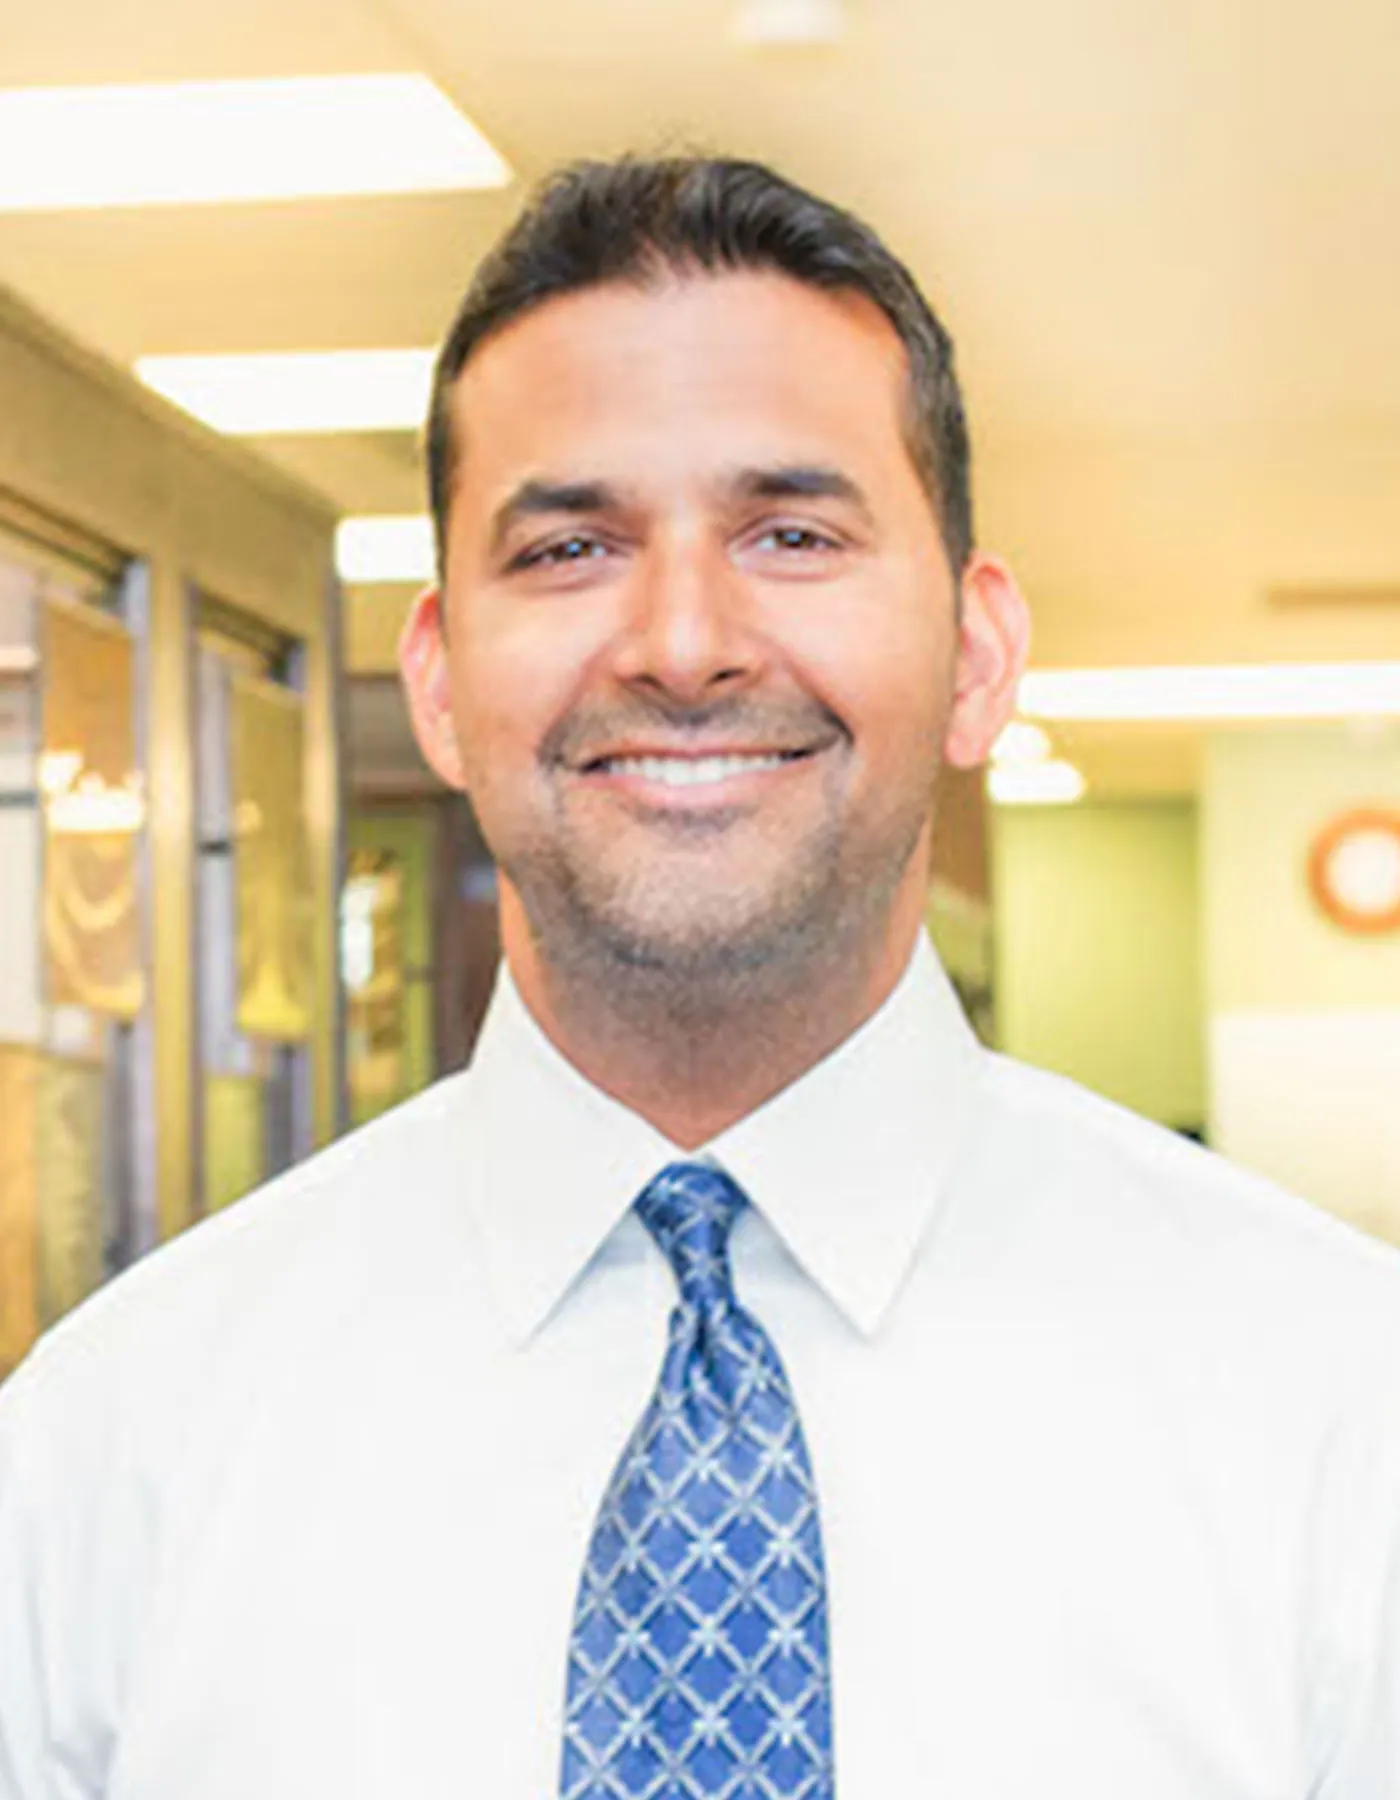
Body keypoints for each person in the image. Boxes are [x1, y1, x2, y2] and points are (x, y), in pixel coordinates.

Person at [2, 155, 1398, 1800]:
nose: (680, 641)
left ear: (978, 655)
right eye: (570, 548)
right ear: (441, 685)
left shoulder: (1338, 1414)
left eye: (793, 531)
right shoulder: (105, 1444)